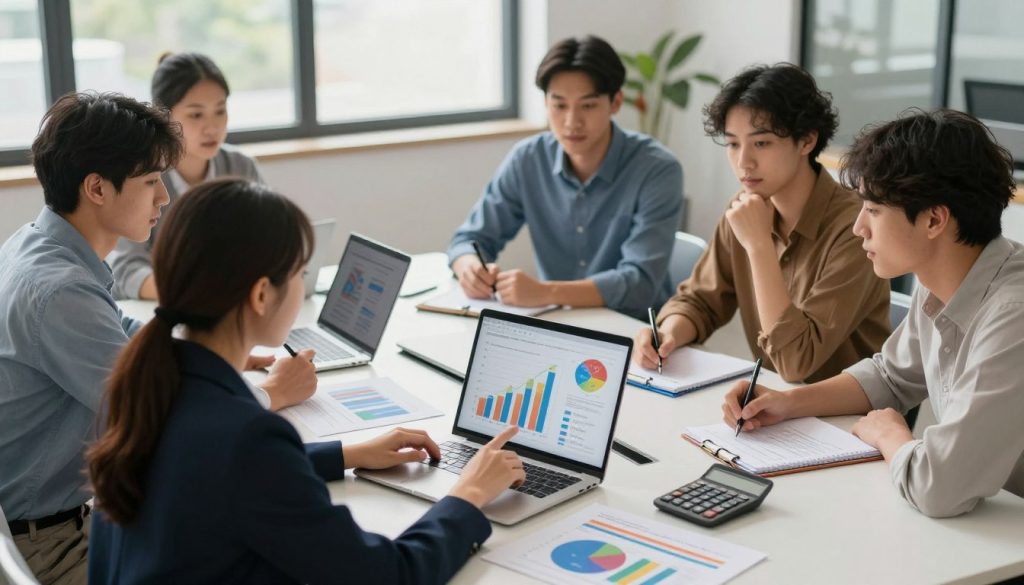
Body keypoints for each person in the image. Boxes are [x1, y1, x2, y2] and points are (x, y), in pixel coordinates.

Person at [86, 179, 526, 584]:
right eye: (299, 273)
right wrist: (467, 496)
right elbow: (387, 576)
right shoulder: (247, 437)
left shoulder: (139, 386)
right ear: (261, 295)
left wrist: (347, 453)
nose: (302, 286)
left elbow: (216, 474)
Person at [0, 93, 312, 585]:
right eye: (150, 182)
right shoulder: (58, 291)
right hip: (51, 547)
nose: (164, 198)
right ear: (97, 188)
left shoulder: (42, 247)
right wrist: (271, 393)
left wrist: (219, 356)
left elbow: (131, 341)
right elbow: (161, 421)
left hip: (64, 521)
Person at [721, 109, 1024, 517]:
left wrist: (891, 434)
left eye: (874, 211)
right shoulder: (942, 275)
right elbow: (890, 376)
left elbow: (938, 487)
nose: (858, 227)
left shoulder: (1013, 315)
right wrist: (788, 402)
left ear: (935, 219)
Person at [635, 63, 889, 383]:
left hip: (847, 419)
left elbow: (797, 362)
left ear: (807, 141)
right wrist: (667, 334)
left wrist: (758, 246)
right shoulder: (745, 209)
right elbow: (700, 301)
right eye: (733, 144)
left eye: (762, 143)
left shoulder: (855, 227)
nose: (744, 162)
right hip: (775, 406)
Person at [448, 35, 683, 317]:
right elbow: (469, 239)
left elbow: (639, 283)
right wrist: (470, 268)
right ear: (546, 104)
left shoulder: (657, 170)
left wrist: (546, 292)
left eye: (588, 105)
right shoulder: (528, 159)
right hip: (557, 322)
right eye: (559, 105)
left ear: (616, 102)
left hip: (635, 331)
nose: (572, 122)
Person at [109, 52, 263, 300]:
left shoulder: (241, 168)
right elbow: (126, 269)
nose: (212, 127)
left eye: (220, 111)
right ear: (165, 116)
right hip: (165, 311)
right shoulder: (142, 176)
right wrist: (196, 294)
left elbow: (268, 242)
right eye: (196, 114)